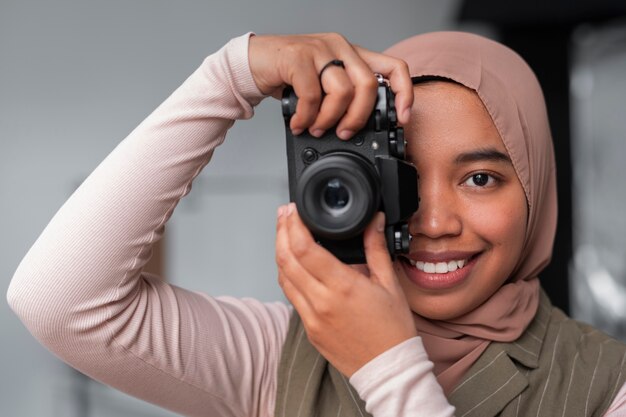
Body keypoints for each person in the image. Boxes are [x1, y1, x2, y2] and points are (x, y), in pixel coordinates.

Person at [7, 30, 626, 417]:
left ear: (537, 192)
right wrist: (230, 76)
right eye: (401, 174)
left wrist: (385, 365)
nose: (434, 221)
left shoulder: (607, 386)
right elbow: (60, 299)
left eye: (480, 179)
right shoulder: (279, 355)